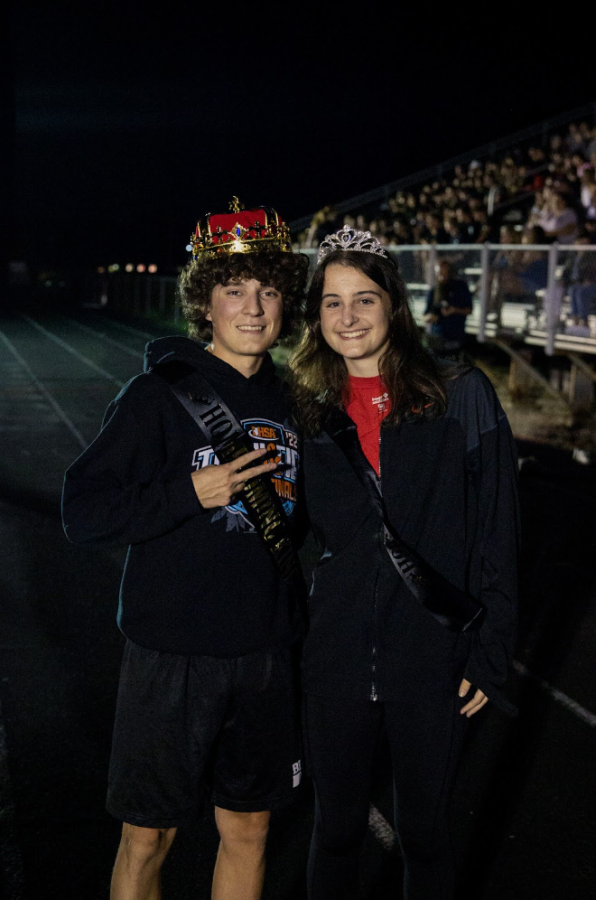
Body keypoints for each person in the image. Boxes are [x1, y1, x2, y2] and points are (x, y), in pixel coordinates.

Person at [62, 199, 309, 900]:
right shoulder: (156, 395)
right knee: (148, 837)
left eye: (267, 289)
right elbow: (83, 510)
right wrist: (187, 494)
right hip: (172, 655)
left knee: (250, 832)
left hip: (265, 653)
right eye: (234, 289)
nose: (254, 307)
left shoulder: (298, 400)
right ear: (205, 302)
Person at [288, 226, 519, 900]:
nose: (349, 317)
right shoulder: (302, 407)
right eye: (332, 302)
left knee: (423, 835)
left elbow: (497, 530)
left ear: (393, 305)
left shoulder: (460, 393)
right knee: (334, 832)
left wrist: (491, 652)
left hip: (432, 653)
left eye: (364, 299)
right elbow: (280, 534)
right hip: (333, 656)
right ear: (316, 314)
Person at [424, 258, 473, 354]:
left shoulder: (460, 288)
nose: (443, 276)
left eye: (445, 272)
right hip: (437, 338)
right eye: (440, 273)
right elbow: (425, 316)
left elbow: (469, 310)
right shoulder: (434, 291)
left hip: (455, 337)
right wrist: (432, 317)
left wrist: (455, 310)